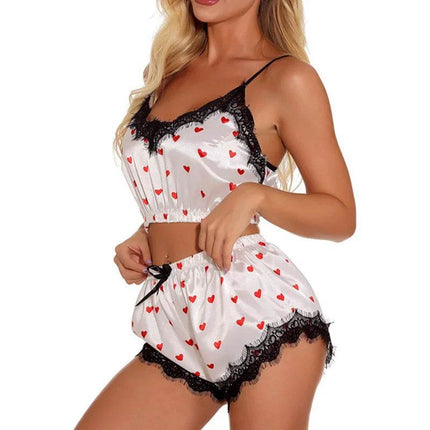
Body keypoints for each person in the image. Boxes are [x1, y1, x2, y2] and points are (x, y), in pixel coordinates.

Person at [75, 0, 355, 428]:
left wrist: (255, 196)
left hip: (259, 314)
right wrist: (148, 232)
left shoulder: (288, 79)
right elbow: (191, 187)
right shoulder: (168, 71)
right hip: (177, 316)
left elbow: (340, 216)